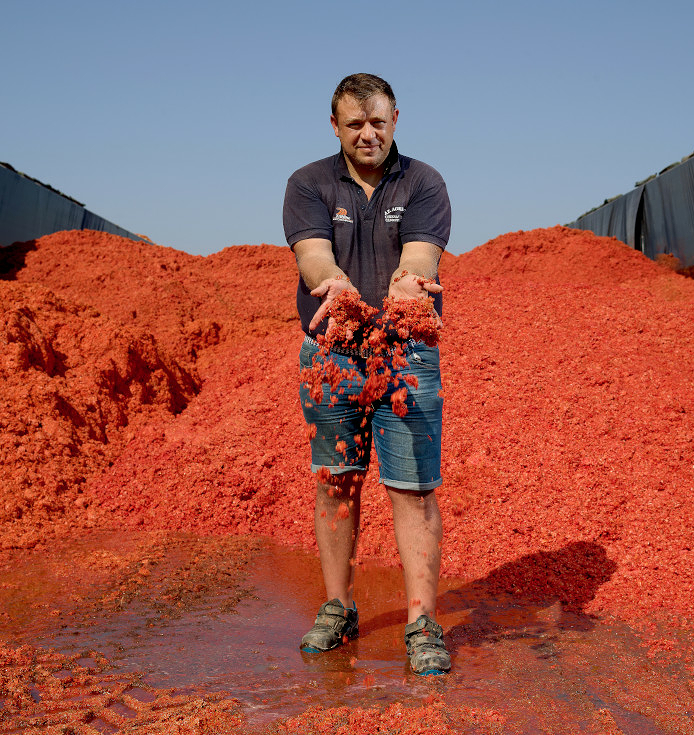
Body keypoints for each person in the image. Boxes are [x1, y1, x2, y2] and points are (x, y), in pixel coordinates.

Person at [282, 73, 451, 675]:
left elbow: (421, 256)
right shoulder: (309, 183)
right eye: (355, 124)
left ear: (395, 119)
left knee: (411, 486)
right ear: (336, 127)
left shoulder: (424, 182)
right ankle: (338, 607)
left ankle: (421, 622)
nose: (367, 133)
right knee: (334, 480)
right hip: (332, 351)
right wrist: (335, 286)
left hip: (405, 354)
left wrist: (407, 287)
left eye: (377, 121)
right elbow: (313, 255)